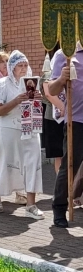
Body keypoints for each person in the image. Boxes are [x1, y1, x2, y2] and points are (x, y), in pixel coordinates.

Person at [0, 50, 44, 219]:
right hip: (9, 128)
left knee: (33, 162)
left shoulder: (31, 82)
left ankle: (31, 205)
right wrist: (16, 101)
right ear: (12, 67)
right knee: (7, 162)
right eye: (19, 65)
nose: (23, 68)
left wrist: (38, 99)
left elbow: (37, 108)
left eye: (25, 65)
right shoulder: (2, 83)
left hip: (30, 128)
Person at [49, 43, 83, 228]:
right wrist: (62, 78)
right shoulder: (65, 54)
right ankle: (59, 207)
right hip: (76, 120)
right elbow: (51, 90)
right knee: (71, 164)